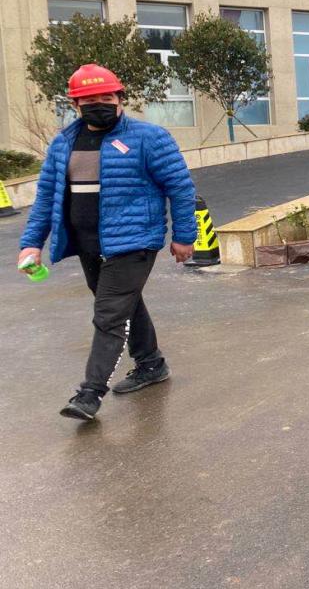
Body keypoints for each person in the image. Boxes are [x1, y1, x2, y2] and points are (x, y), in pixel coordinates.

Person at [17, 64, 196, 421]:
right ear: (75, 104)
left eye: (106, 96)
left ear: (119, 98)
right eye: (89, 99)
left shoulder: (149, 138)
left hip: (134, 241)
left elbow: (180, 188)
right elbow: (46, 198)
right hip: (88, 244)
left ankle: (90, 394)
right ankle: (151, 364)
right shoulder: (63, 144)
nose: (99, 104)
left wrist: (184, 236)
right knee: (125, 304)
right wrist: (31, 243)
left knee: (109, 314)